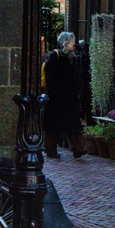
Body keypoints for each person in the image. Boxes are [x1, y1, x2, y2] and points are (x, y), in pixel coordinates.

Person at [42, 31, 87, 159]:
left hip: (69, 97)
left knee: (72, 123)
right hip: (56, 98)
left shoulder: (71, 57)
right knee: (54, 126)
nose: (74, 45)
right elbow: (50, 77)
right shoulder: (55, 56)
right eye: (72, 42)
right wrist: (56, 92)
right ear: (66, 44)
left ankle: (78, 148)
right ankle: (50, 149)